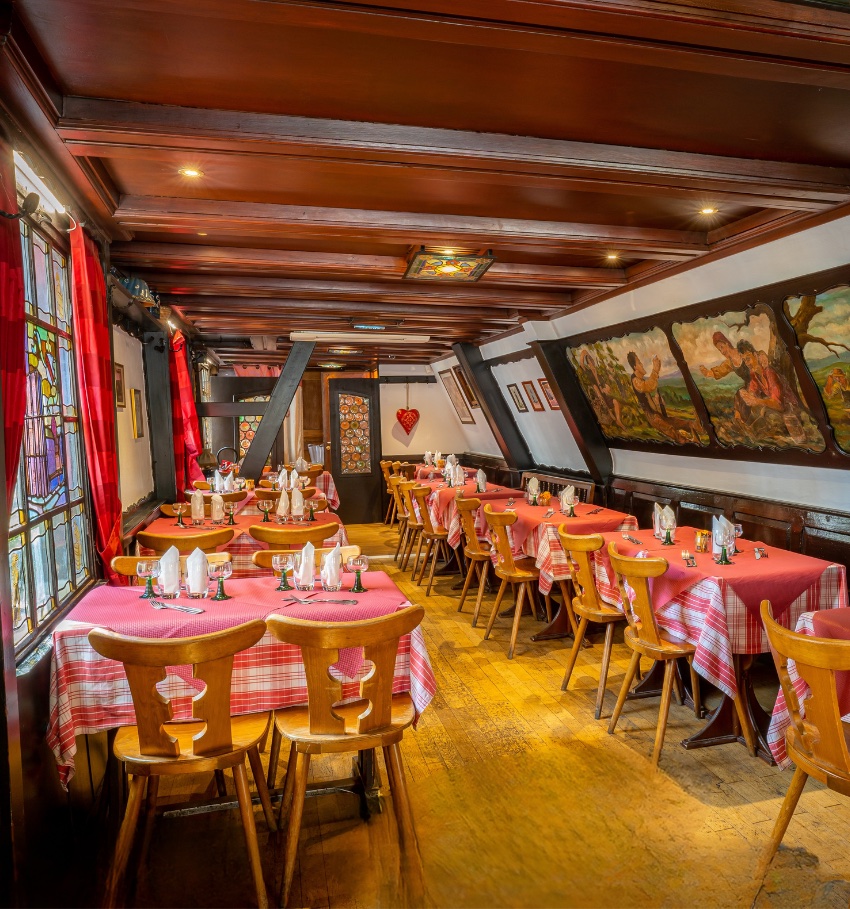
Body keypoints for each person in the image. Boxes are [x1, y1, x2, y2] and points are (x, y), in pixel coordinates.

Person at [737, 340, 808, 444]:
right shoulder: (754, 374)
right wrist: (747, 396)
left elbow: (779, 405)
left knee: (764, 411)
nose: (747, 363)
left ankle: (755, 432)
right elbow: (753, 390)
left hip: (789, 408)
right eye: (744, 360)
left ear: (755, 355)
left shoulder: (770, 373)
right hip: (777, 408)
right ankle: (750, 431)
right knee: (756, 408)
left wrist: (756, 401)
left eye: (748, 359)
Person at [627, 350, 701, 443]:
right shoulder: (635, 380)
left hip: (655, 414)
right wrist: (655, 370)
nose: (642, 364)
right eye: (639, 363)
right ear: (635, 367)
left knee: (676, 421)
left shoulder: (640, 380)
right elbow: (647, 387)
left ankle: (696, 426)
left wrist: (656, 401)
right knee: (670, 429)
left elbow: (649, 399)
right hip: (653, 417)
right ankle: (690, 442)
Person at [578, 349, 626, 431]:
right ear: (588, 364)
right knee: (596, 389)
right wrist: (586, 353)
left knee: (615, 401)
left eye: (592, 361)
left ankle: (618, 421)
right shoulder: (588, 372)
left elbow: (605, 386)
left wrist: (605, 388)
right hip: (597, 395)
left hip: (603, 394)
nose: (592, 363)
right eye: (590, 362)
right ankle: (609, 412)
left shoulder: (599, 375)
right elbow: (582, 362)